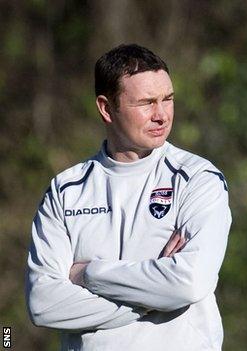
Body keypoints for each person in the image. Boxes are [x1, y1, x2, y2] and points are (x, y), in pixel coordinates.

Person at [25, 44, 231, 350]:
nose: (161, 115)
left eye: (168, 99)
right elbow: (43, 304)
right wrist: (152, 298)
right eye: (147, 103)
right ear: (107, 108)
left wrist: (90, 274)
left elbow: (189, 283)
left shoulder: (198, 180)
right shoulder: (66, 191)